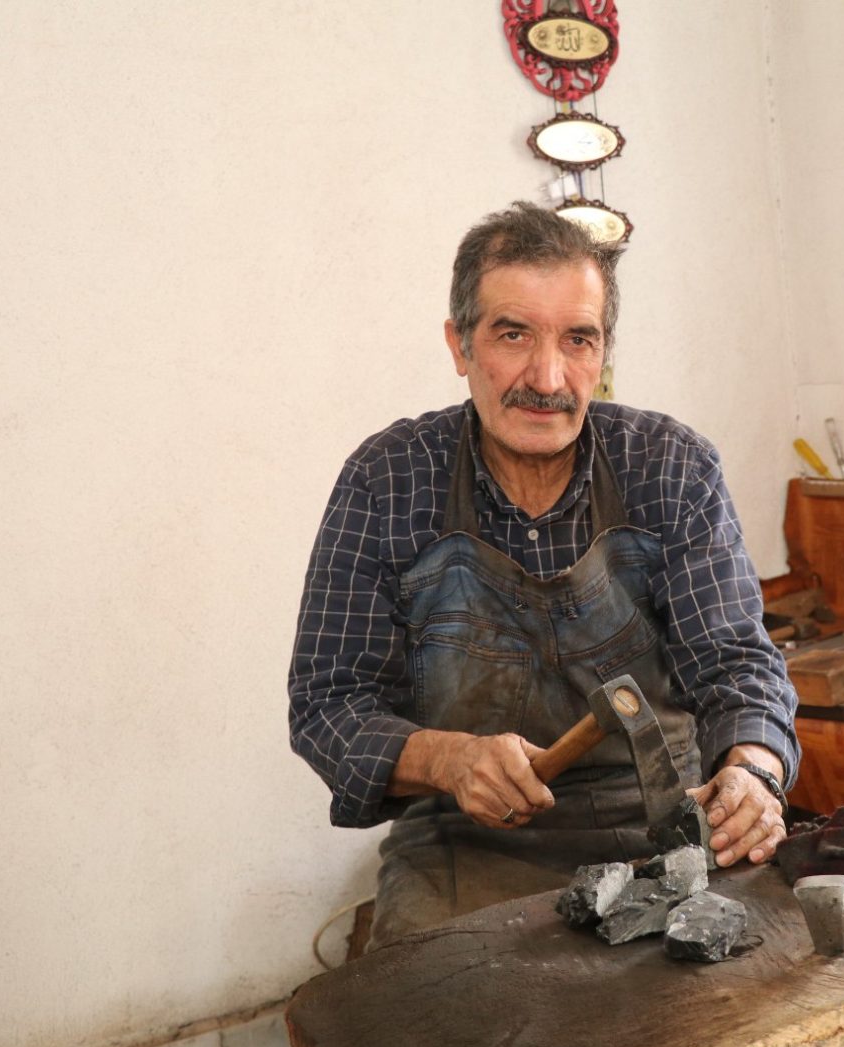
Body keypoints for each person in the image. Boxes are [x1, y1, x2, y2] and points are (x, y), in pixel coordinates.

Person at [288, 201, 799, 947]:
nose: (548, 376)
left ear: (603, 352)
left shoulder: (671, 467)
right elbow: (327, 704)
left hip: (665, 827)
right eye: (513, 334)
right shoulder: (386, 481)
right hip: (468, 844)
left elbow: (738, 663)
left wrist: (753, 772)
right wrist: (449, 758)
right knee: (427, 997)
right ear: (460, 345)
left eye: (577, 339)